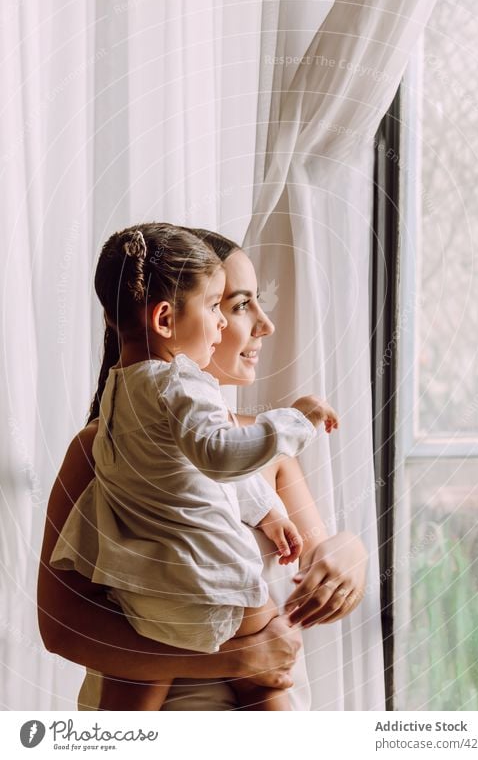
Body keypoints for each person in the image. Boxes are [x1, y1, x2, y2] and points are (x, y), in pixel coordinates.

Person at [38, 227, 368, 711]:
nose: (264, 324)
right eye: (235, 305)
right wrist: (234, 661)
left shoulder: (267, 450)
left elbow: (313, 561)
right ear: (167, 318)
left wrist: (352, 553)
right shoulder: (101, 448)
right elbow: (61, 624)